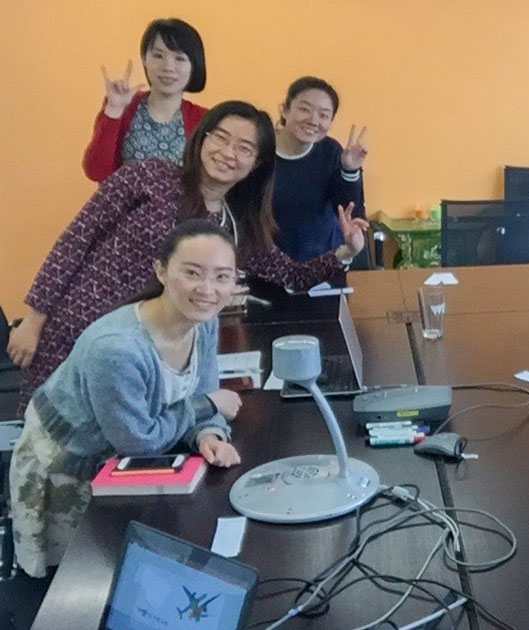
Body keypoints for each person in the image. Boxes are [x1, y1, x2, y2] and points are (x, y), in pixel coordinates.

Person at [8, 101, 367, 411]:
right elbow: (76, 239)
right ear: (202, 138)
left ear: (257, 163)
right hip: (75, 332)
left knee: (117, 464)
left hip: (147, 359)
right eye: (221, 138)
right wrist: (34, 320)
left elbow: (291, 276)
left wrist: (344, 252)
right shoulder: (148, 175)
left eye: (244, 148)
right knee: (51, 452)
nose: (228, 153)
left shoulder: (233, 224)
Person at [9, 220, 244, 578]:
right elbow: (139, 440)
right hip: (70, 464)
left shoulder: (203, 320)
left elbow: (202, 390)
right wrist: (209, 407)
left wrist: (208, 434)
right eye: (192, 273)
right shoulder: (116, 349)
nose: (207, 289)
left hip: (123, 456)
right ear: (161, 271)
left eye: (222, 277)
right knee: (83, 578)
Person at [83, 18, 209, 182]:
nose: (168, 67)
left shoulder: (205, 120)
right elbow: (96, 172)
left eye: (180, 59)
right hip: (124, 206)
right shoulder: (124, 107)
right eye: (158, 55)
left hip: (180, 208)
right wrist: (113, 111)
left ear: (194, 65)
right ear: (144, 59)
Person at [272, 76, 369, 262]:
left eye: (323, 115)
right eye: (304, 109)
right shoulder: (261, 147)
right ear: (284, 110)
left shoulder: (331, 151)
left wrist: (349, 170)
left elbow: (350, 212)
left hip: (321, 264)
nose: (313, 120)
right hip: (264, 267)